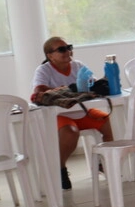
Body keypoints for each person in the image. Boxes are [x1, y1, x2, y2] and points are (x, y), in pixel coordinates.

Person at [30, 36, 114, 189]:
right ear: (50, 55)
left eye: (69, 47)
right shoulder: (43, 70)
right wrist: (67, 90)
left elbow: (91, 85)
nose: (67, 51)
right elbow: (39, 91)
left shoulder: (78, 65)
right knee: (70, 132)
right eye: (61, 49)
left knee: (106, 121)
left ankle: (103, 163)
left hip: (82, 111)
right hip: (59, 115)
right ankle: (60, 168)